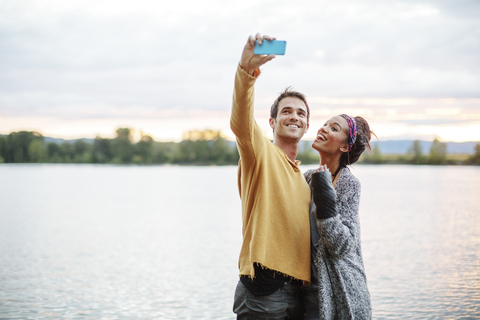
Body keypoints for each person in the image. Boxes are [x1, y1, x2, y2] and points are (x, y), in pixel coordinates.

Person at [231, 33, 312, 319]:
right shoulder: (260, 153)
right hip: (263, 292)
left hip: (297, 293)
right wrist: (246, 71)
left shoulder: (303, 178)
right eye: (286, 111)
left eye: (301, 113)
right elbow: (240, 122)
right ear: (272, 122)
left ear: (306, 125)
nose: (294, 116)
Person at [303, 114, 373, 319]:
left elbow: (342, 246)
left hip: (339, 293)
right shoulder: (308, 178)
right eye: (324, 124)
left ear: (344, 147)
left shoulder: (349, 184)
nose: (323, 128)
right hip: (306, 291)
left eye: (333, 128)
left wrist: (324, 192)